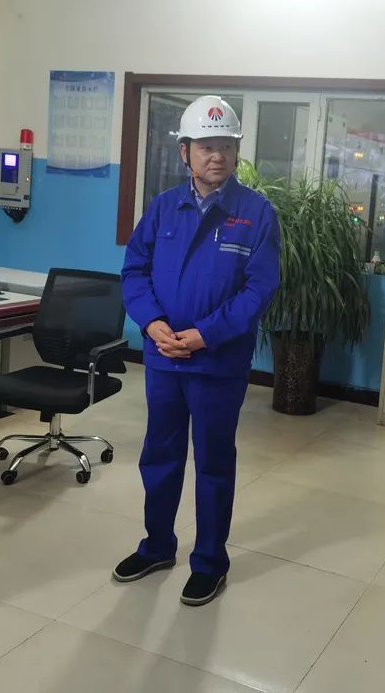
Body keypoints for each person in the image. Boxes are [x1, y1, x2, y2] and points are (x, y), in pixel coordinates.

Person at [115, 95, 281, 606]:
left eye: (226, 146)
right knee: (160, 455)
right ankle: (157, 546)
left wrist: (206, 334)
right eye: (207, 147)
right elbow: (134, 271)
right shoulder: (164, 206)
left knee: (213, 463)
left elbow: (259, 288)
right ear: (185, 151)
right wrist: (152, 323)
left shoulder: (256, 213)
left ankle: (209, 562)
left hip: (217, 362)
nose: (218, 156)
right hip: (164, 358)